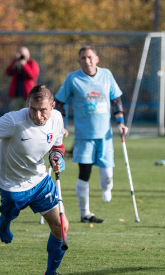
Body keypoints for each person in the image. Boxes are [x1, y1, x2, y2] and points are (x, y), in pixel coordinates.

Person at [0, 84, 69, 275]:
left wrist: (57, 157)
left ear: (52, 106)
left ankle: (51, 273)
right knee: (9, 214)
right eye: (33, 109)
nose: (37, 114)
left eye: (43, 110)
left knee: (61, 225)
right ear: (27, 104)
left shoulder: (58, 118)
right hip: (12, 184)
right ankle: (3, 222)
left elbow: (57, 145)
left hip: (40, 180)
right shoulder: (14, 120)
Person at [54, 46, 128, 223]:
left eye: (89, 57)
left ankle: (106, 189)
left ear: (96, 58)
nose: (86, 61)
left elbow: (115, 99)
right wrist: (61, 125)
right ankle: (85, 213)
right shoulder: (73, 79)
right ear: (79, 61)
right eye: (82, 58)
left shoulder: (107, 75)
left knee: (107, 177)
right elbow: (59, 102)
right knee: (84, 173)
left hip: (105, 135)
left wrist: (120, 122)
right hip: (84, 136)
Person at [5, 47, 40, 111]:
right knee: (14, 112)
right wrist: (14, 64)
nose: (22, 57)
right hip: (16, 94)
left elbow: (33, 75)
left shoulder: (32, 63)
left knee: (27, 113)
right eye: (20, 54)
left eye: (23, 55)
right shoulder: (16, 62)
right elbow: (7, 72)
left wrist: (24, 65)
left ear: (28, 55)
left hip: (27, 94)